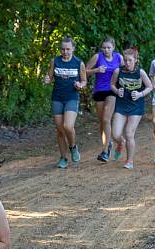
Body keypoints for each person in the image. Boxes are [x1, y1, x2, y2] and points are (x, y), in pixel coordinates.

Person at [44, 37, 87, 169]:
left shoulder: (78, 63)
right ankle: (63, 158)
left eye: (68, 49)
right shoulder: (55, 61)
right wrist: (46, 80)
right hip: (57, 98)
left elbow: (84, 80)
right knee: (60, 130)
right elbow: (49, 78)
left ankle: (73, 147)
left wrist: (80, 84)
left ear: (73, 48)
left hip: (72, 97)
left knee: (68, 126)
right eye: (63, 49)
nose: (65, 52)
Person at [109, 47, 153, 169]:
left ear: (135, 60)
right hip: (121, 105)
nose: (127, 63)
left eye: (130, 60)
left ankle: (129, 161)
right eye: (126, 60)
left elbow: (149, 87)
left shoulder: (141, 73)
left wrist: (140, 94)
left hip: (136, 106)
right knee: (116, 134)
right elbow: (111, 84)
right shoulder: (118, 71)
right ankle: (120, 143)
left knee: (129, 133)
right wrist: (117, 91)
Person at [86, 37, 123, 162]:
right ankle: (108, 144)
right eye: (104, 48)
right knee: (102, 121)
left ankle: (105, 150)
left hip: (112, 90)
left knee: (107, 119)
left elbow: (126, 71)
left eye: (109, 47)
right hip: (99, 91)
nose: (106, 50)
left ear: (113, 47)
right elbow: (84, 71)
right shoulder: (97, 57)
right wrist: (96, 70)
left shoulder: (118, 57)